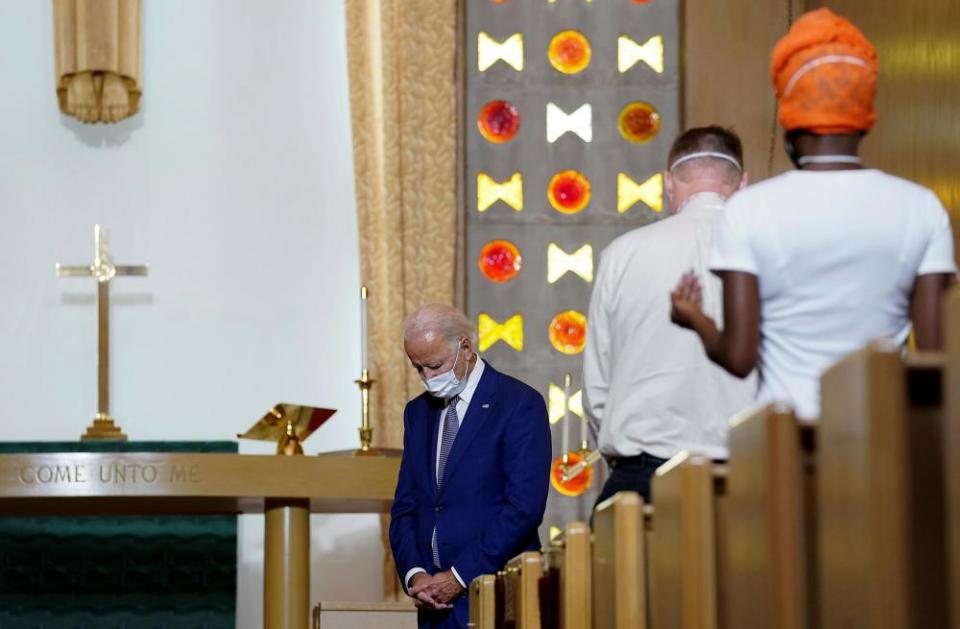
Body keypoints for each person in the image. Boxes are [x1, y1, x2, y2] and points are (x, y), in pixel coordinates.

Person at [670, 8, 957, 421]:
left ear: (790, 121)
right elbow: (934, 359)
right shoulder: (921, 206)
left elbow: (738, 357)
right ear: (863, 120)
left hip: (791, 446)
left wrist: (694, 317)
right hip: (886, 439)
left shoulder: (752, 210)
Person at [582, 126, 756, 506]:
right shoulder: (771, 249)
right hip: (751, 479)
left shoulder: (622, 254)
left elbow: (597, 391)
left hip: (644, 478)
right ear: (742, 184)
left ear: (667, 184)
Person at [389, 304, 552, 628]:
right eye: (418, 368)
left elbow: (523, 508)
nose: (428, 378)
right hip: (434, 608)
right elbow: (406, 507)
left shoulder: (519, 403)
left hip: (497, 596)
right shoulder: (417, 413)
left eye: (435, 366)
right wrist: (415, 575)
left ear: (465, 347)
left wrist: (459, 575)